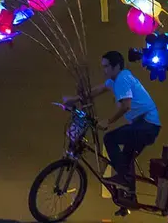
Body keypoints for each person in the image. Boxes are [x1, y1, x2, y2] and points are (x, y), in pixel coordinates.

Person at [64, 51, 161, 204]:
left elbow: (126, 106)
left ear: (116, 66)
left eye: (107, 66)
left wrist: (108, 121)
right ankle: (129, 196)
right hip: (143, 125)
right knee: (126, 159)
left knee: (110, 138)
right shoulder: (114, 80)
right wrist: (74, 99)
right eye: (103, 66)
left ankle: (123, 180)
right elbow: (96, 91)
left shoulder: (122, 78)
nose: (104, 70)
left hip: (147, 125)